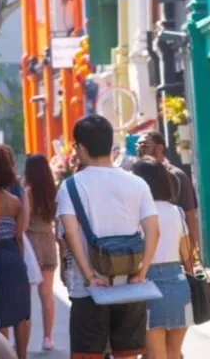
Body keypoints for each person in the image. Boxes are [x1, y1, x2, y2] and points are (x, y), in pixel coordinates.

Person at [56, 115, 160, 358]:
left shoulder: (71, 186)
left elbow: (70, 234)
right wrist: (141, 273)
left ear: (81, 147)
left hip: (90, 290)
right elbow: (154, 231)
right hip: (131, 286)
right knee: (127, 354)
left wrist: (90, 277)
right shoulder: (137, 183)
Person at [131, 157, 193, 359]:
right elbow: (186, 254)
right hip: (179, 284)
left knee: (156, 354)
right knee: (174, 353)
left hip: (147, 283)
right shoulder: (176, 211)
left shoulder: (136, 213)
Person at [0, 146, 32, 358]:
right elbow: (19, 236)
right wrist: (20, 262)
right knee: (22, 311)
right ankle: (22, 355)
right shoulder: (15, 202)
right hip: (13, 256)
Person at [136, 131, 199, 254]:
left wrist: (191, 251)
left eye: (144, 145)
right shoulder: (135, 177)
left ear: (159, 148)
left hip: (172, 250)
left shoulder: (177, 177)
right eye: (137, 146)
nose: (140, 150)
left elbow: (189, 213)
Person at [23, 154, 59, 351]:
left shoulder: (27, 193)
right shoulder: (52, 191)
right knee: (47, 294)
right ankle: (48, 338)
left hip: (31, 242)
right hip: (48, 241)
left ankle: (24, 337)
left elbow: (25, 222)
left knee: (26, 294)